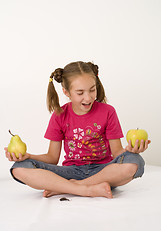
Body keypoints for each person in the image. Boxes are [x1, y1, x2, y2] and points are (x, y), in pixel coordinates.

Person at [4, 61, 150, 199]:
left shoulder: (108, 111)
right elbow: (52, 158)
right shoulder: (59, 115)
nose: (88, 97)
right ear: (66, 92)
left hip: (104, 171)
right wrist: (28, 156)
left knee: (135, 161)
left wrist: (131, 150)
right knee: (19, 168)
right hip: (70, 171)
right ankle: (86, 189)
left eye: (92, 90)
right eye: (80, 93)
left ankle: (67, 187)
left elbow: (117, 152)